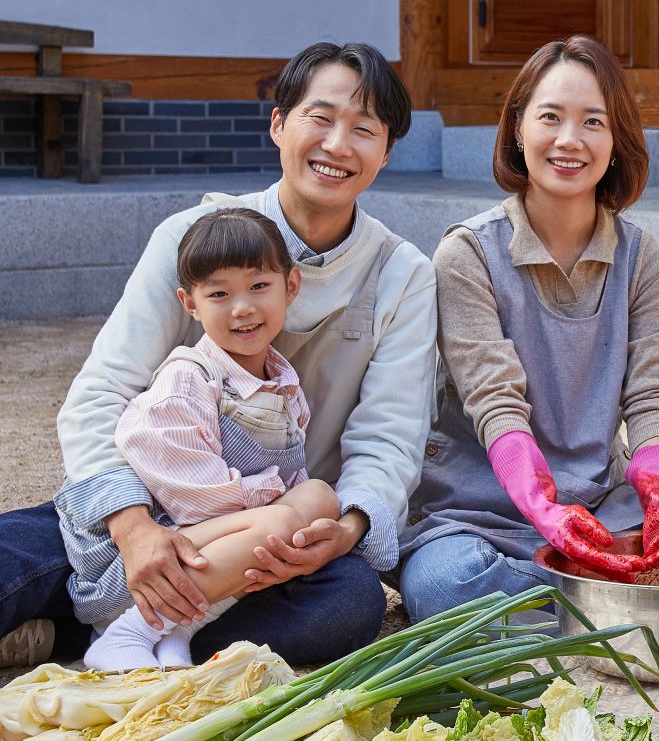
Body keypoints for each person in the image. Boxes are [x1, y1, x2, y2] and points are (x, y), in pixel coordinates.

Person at [1, 42, 435, 669]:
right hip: (149, 502)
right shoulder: (189, 237)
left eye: (363, 129)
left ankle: (98, 630)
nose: (338, 145)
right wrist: (133, 528)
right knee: (20, 551)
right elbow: (100, 393)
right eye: (320, 117)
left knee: (348, 605)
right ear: (279, 123)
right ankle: (117, 623)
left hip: (271, 535)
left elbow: (388, 441)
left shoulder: (403, 275)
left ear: (386, 152)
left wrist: (345, 530)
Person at [398, 36, 659, 618]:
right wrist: (544, 510)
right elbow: (495, 403)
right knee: (448, 586)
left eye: (593, 121)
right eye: (550, 117)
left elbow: (652, 397)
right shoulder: (467, 254)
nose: (570, 140)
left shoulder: (644, 259)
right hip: (488, 511)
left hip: (605, 503)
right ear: (518, 128)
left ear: (616, 140)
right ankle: (615, 594)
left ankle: (575, 590)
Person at [75, 209, 342, 670]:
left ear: (291, 286)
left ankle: (180, 629)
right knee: (279, 524)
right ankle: (126, 632)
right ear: (190, 303)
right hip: (151, 559)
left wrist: (301, 518)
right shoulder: (188, 379)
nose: (242, 308)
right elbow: (195, 501)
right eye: (219, 294)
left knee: (319, 497)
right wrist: (278, 507)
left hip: (216, 558)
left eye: (259, 286)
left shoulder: (283, 382)